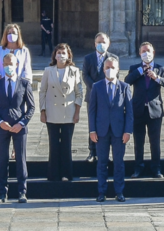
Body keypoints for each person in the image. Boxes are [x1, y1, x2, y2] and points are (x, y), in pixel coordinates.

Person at [0, 51, 34, 203]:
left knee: (21, 159)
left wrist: (22, 123)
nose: (8, 67)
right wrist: (0, 122)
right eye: (5, 65)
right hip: (2, 126)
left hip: (19, 127)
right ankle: (2, 192)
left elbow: (31, 107)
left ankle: (22, 191)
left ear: (17, 65)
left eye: (11, 64)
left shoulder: (24, 83)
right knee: (3, 159)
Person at [123, 41, 164, 178]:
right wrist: (139, 71)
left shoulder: (161, 69)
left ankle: (156, 168)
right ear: (139, 53)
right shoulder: (134, 68)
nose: (146, 54)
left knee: (154, 142)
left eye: (148, 51)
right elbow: (126, 82)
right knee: (139, 141)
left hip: (155, 111)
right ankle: (138, 167)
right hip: (138, 110)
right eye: (143, 51)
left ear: (153, 53)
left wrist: (157, 78)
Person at [87, 55, 132, 203]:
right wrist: (92, 130)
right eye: (107, 67)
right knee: (102, 163)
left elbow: (129, 111)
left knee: (119, 163)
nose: (110, 70)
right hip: (101, 131)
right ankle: (102, 192)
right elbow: (92, 110)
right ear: (103, 69)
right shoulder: (97, 86)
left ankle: (119, 192)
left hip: (119, 131)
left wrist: (128, 131)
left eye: (113, 67)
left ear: (118, 69)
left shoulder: (124, 87)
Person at [38, 43, 83, 183]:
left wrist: (77, 112)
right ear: (54, 55)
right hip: (52, 112)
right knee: (53, 144)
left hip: (68, 113)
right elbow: (42, 91)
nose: (61, 55)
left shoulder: (75, 71)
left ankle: (66, 174)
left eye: (64, 53)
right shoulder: (48, 70)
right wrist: (42, 111)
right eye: (58, 53)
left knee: (66, 145)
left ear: (68, 55)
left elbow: (79, 93)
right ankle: (53, 174)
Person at [81, 32, 116, 160]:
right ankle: (92, 151)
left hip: (108, 95)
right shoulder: (88, 58)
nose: (101, 44)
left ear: (108, 44)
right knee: (93, 123)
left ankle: (108, 151)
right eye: (98, 42)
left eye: (104, 42)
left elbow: (114, 76)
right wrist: (96, 88)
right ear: (94, 44)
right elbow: (85, 75)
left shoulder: (113, 58)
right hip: (92, 95)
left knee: (109, 123)